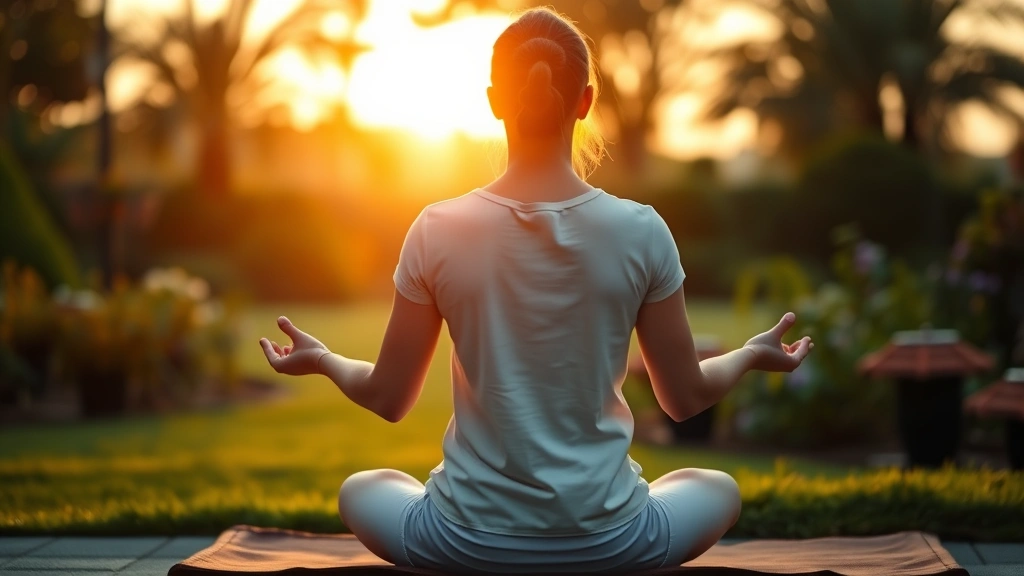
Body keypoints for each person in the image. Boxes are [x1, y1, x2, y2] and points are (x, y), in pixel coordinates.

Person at [259, 7, 813, 573]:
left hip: (461, 544)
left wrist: (323, 359)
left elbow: (389, 398)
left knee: (363, 487)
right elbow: (684, 398)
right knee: (716, 486)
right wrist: (750, 355)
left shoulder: (436, 228)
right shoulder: (642, 229)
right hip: (614, 544)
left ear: (495, 101)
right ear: (586, 101)